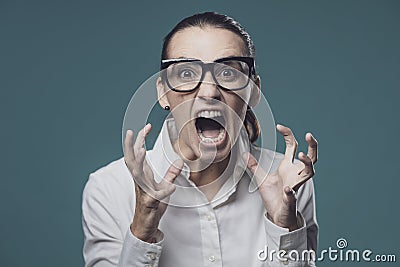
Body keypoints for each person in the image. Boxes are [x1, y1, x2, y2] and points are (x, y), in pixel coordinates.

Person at [82, 12, 319, 267]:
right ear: (162, 93)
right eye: (186, 74)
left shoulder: (287, 182)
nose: (209, 91)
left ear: (254, 92)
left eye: (228, 73)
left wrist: (284, 227)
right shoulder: (109, 189)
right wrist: (142, 229)